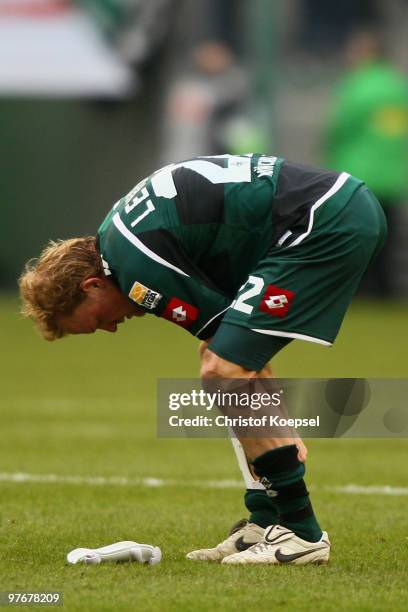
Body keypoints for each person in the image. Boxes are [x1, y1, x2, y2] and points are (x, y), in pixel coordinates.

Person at [19, 153, 386, 565]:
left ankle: (302, 533)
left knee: (223, 369)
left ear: (90, 286)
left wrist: (279, 426)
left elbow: (234, 365)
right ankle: (265, 522)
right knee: (219, 359)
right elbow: (230, 348)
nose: (110, 328)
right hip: (327, 208)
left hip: (322, 220)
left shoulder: (136, 270)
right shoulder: (119, 240)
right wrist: (276, 422)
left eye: (94, 322)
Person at [323, 30, 408, 297]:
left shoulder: (356, 86)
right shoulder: (398, 85)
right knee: (388, 235)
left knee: (359, 235)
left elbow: (340, 128)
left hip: (359, 171)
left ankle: (361, 289)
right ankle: (387, 289)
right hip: (393, 173)